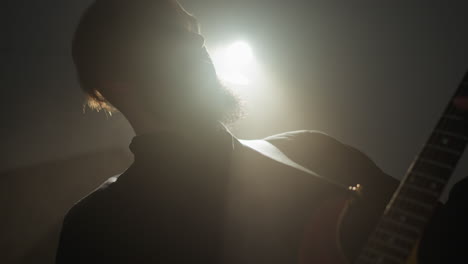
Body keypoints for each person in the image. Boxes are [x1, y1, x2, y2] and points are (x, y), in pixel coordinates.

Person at [55, 0, 465, 263]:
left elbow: (448, 235)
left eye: (195, 34)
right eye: (172, 39)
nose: (198, 47)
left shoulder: (316, 151)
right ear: (115, 83)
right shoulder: (98, 225)